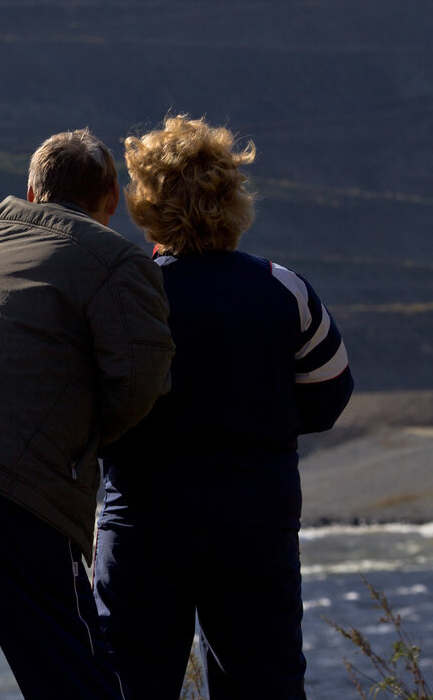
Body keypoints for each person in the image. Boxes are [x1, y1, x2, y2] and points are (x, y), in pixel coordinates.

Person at [0, 128, 175, 699]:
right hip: (11, 491)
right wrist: (77, 443)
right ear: (111, 198)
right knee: (76, 681)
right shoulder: (118, 261)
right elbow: (142, 384)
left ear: (31, 189)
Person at [92, 115, 354, 700]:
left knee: (129, 685)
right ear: (234, 198)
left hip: (141, 524)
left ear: (146, 203)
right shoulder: (282, 287)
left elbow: (89, 405)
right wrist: (263, 420)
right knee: (265, 683)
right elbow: (330, 394)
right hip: (255, 522)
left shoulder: (127, 292)